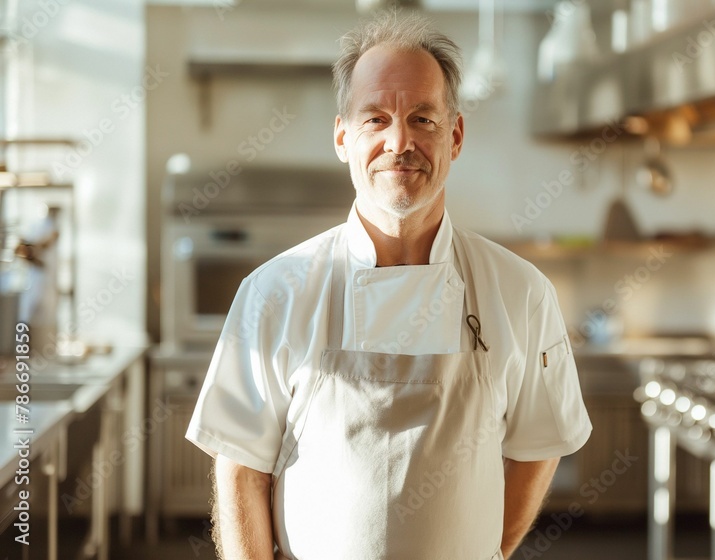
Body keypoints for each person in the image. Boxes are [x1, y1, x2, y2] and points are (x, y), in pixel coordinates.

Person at [185, 10, 592, 560]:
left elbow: (538, 444)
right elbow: (239, 468)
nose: (400, 142)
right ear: (342, 136)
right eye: (375, 118)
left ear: (456, 134)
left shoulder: (521, 292)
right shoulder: (274, 292)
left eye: (423, 118)